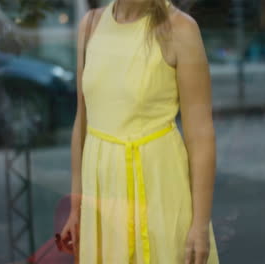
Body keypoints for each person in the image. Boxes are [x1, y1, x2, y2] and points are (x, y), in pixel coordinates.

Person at [61, 0, 219, 263]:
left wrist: (200, 225)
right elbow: (83, 122)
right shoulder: (90, 25)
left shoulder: (180, 29)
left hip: (160, 194)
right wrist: (76, 207)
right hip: (101, 201)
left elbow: (201, 136)